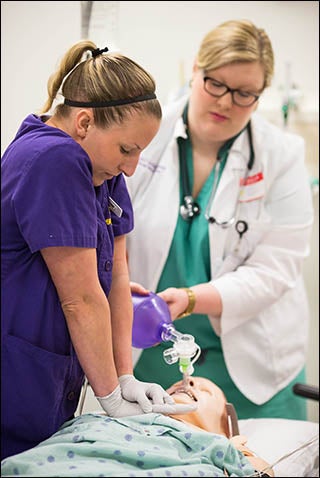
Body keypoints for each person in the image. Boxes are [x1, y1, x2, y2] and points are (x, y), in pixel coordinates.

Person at [0, 40, 195, 460]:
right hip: (14, 380)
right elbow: (81, 299)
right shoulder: (56, 158)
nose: (131, 167)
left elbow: (117, 277)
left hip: (47, 381)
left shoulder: (101, 169)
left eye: (141, 151)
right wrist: (109, 395)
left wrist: (125, 377)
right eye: (127, 149)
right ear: (85, 122)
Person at [126, 19, 314, 421]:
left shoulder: (281, 156)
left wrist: (193, 299)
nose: (226, 102)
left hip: (256, 372)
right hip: (153, 370)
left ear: (260, 96)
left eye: (245, 93)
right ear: (195, 69)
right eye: (215, 83)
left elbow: (276, 268)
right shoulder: (142, 138)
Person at [0, 377, 274, 477]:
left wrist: (235, 451)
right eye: (177, 386)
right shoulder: (109, 420)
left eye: (203, 390)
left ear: (223, 427)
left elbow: (264, 472)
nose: (188, 383)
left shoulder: (217, 451)